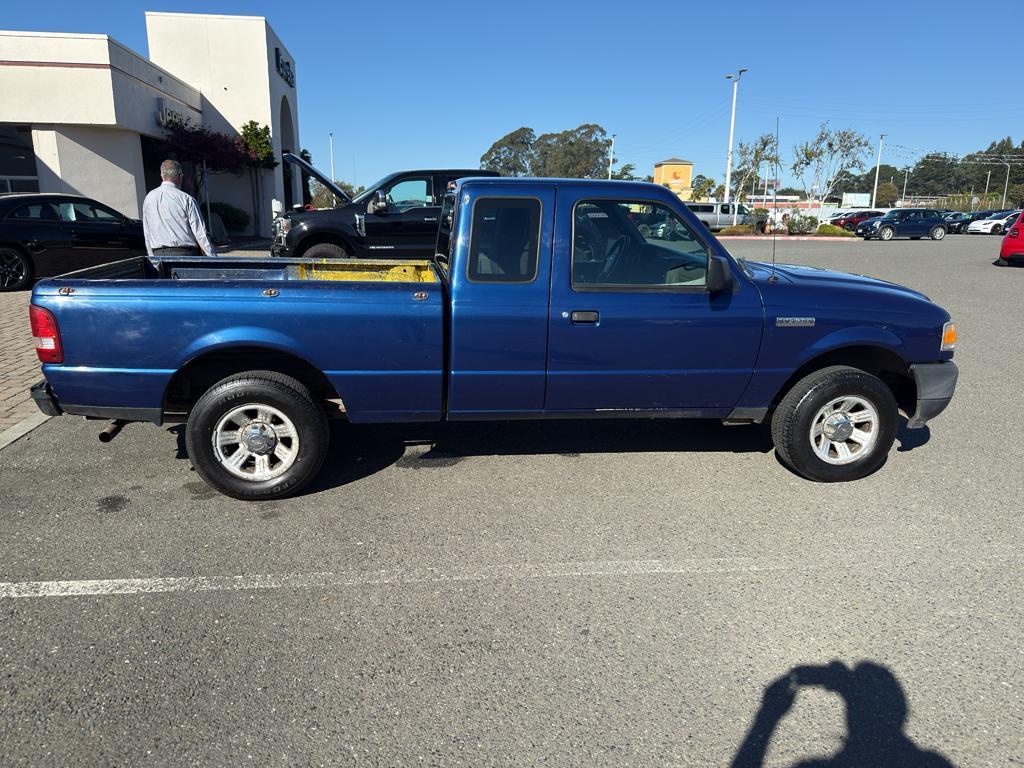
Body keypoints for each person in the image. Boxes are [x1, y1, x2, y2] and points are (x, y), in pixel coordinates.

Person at [142, 159, 216, 257]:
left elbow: (147, 232)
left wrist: (152, 257)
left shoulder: (149, 198)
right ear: (180, 176)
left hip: (158, 255)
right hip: (185, 254)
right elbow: (200, 233)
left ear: (162, 176)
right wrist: (212, 258)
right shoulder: (186, 199)